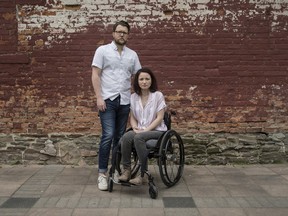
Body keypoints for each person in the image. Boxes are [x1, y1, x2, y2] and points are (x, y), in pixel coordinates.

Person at [91, 20, 141, 191]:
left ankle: (116, 170)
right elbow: (95, 74)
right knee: (108, 135)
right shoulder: (102, 51)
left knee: (119, 139)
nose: (121, 35)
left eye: (125, 32)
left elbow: (138, 78)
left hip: (125, 101)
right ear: (113, 33)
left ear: (128, 35)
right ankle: (102, 174)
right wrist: (99, 97)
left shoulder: (132, 55)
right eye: (119, 31)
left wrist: (139, 101)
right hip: (108, 100)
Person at [118, 67, 167, 185]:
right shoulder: (133, 97)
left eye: (147, 79)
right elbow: (133, 116)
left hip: (157, 131)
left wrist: (145, 131)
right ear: (137, 82)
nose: (144, 82)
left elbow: (160, 117)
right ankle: (127, 171)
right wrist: (134, 127)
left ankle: (143, 174)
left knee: (138, 137)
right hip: (140, 130)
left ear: (151, 81)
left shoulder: (158, 95)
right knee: (126, 136)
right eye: (141, 79)